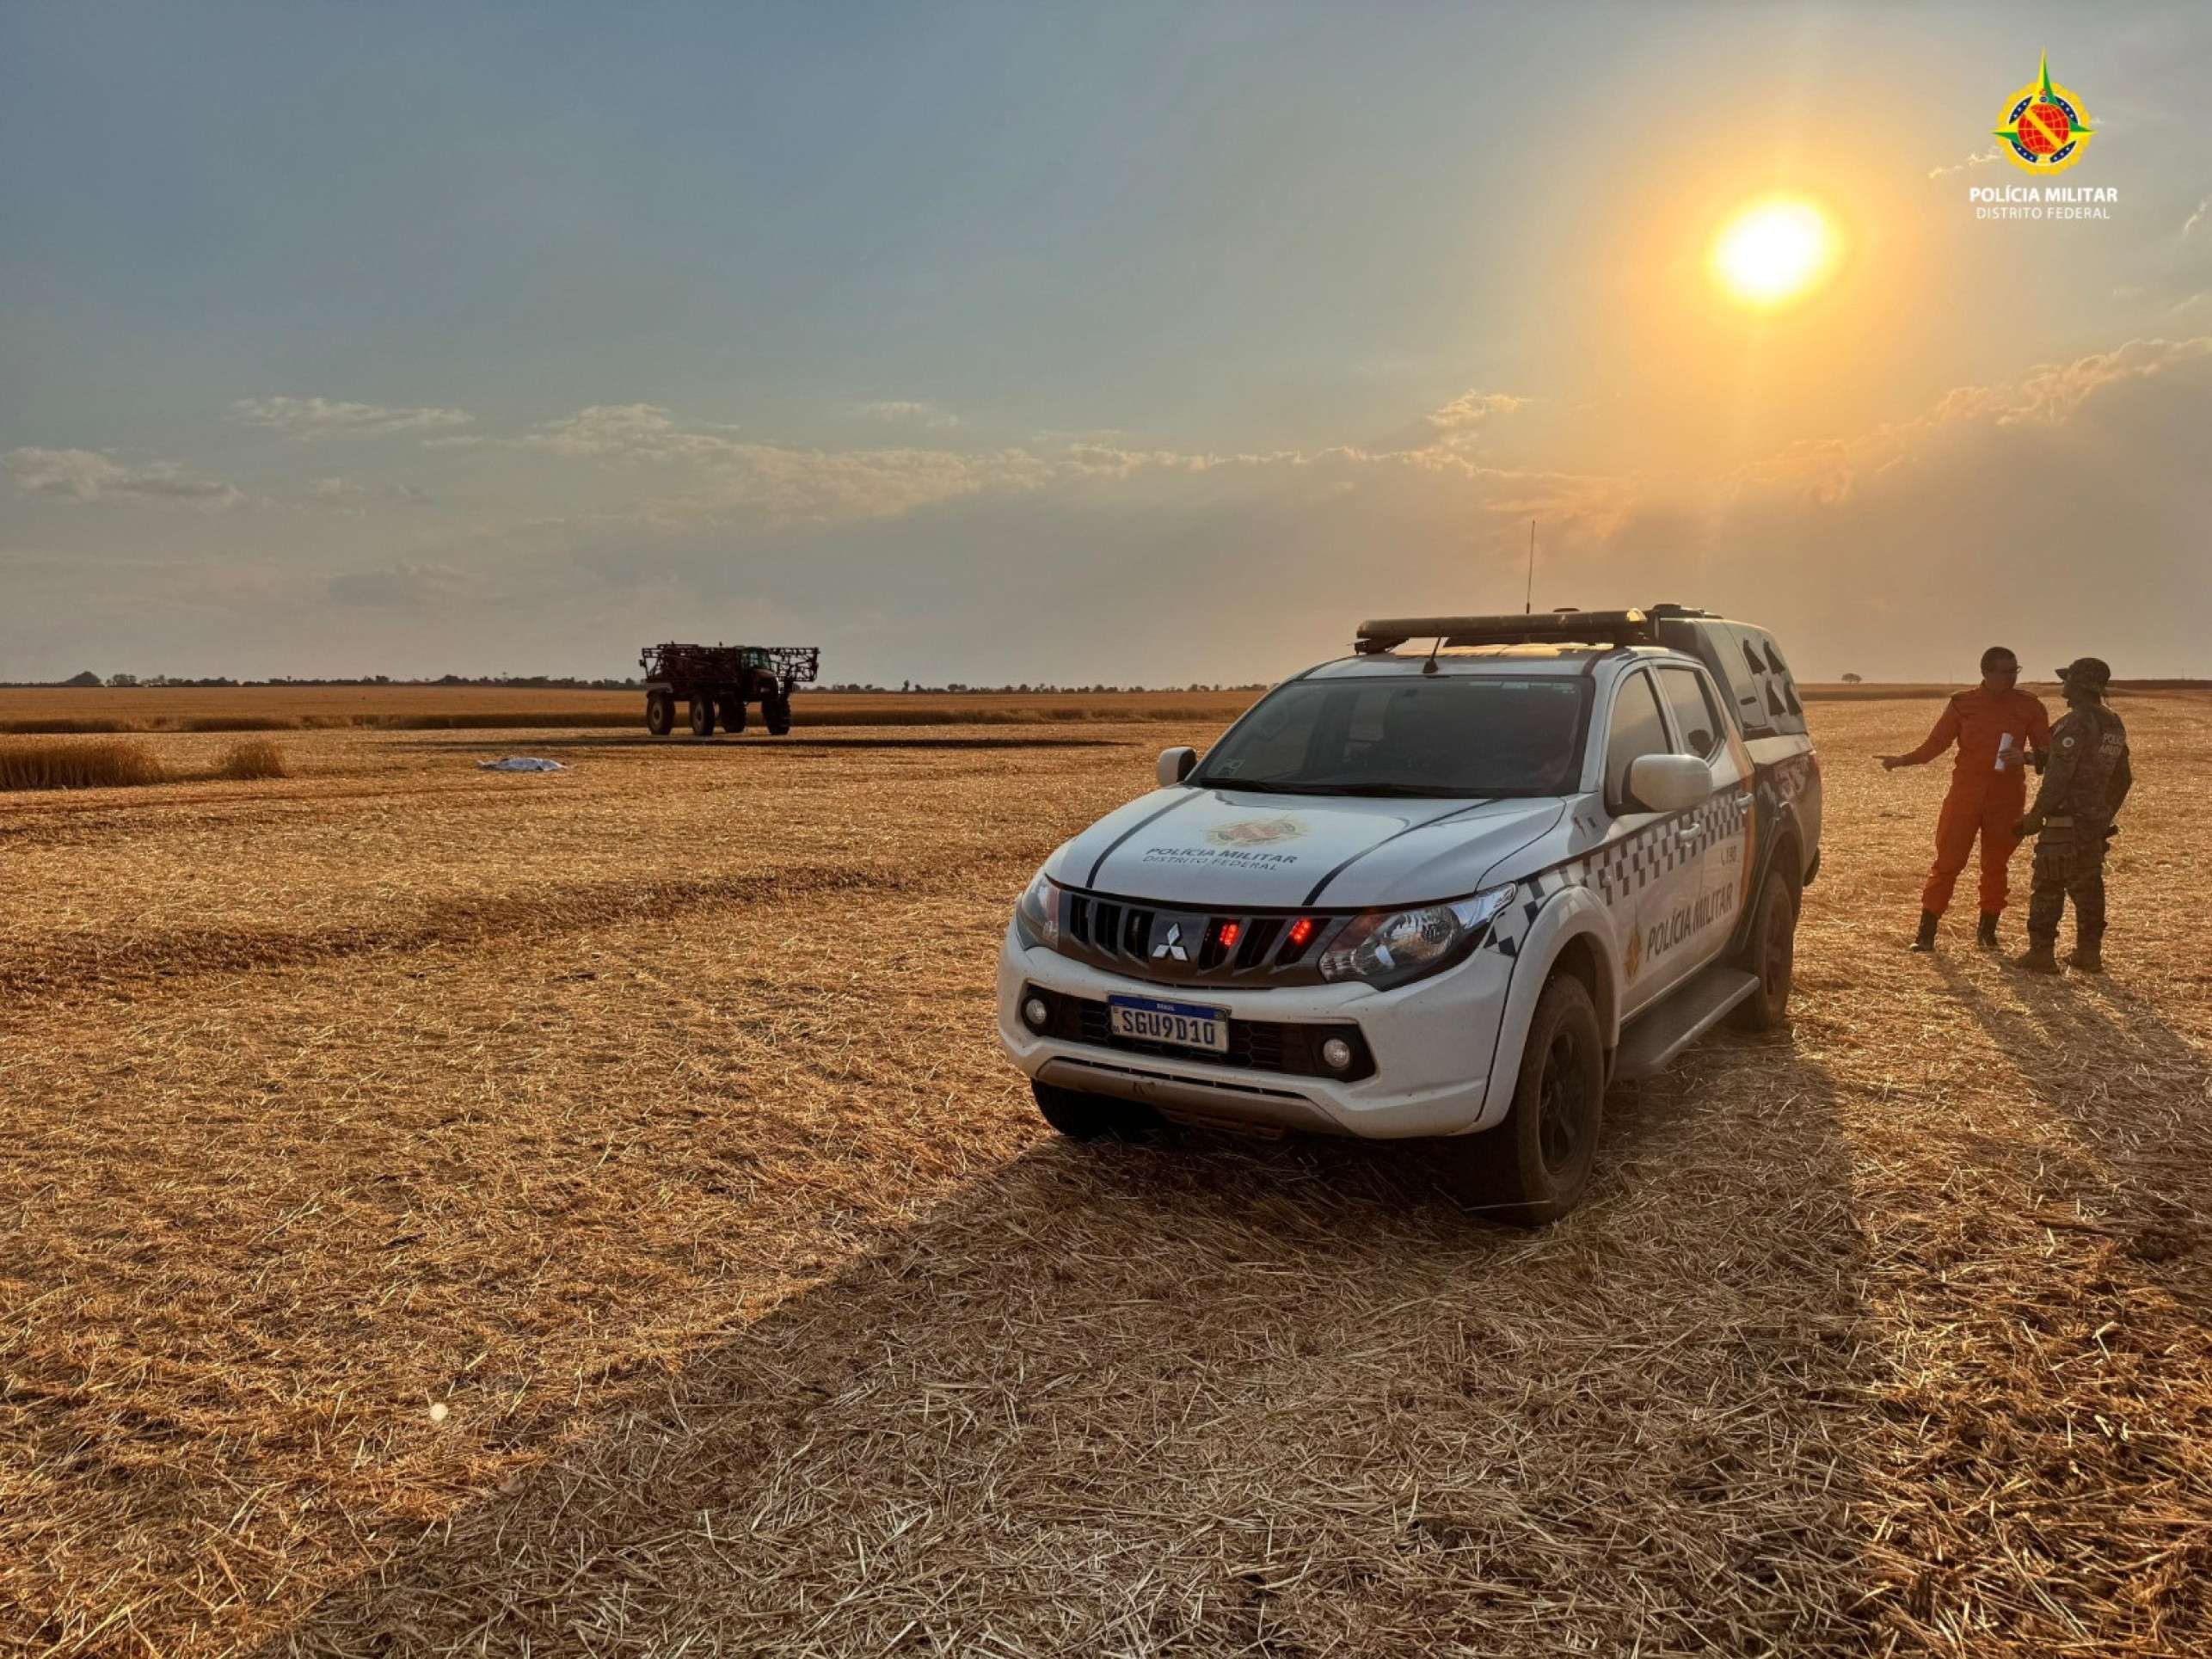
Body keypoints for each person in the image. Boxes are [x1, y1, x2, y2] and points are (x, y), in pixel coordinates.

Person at [1878, 646, 2051, 951]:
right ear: (1986, 672)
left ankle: (1987, 934)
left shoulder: (2030, 706)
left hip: (2007, 798)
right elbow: (1936, 744)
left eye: (2015, 671)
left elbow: (2049, 754)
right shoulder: (1963, 703)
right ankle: (1926, 934)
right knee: (1947, 862)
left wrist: (2024, 757)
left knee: (1996, 865)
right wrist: (1902, 760)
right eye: (2005, 671)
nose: (2012, 677)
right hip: (1965, 797)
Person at [2013, 658, 2131, 974]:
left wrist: (2036, 815)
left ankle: (2041, 953)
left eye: (2067, 681)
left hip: (2065, 820)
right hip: (2094, 821)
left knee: (2049, 882)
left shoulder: (2075, 722)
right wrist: (2104, 813)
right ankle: (2089, 953)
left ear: (2078, 686)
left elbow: (2059, 776)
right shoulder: (2113, 723)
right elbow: (2123, 777)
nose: (2062, 687)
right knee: (2088, 884)